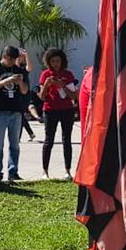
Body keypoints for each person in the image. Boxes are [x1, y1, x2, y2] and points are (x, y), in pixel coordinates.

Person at [0, 46, 29, 182]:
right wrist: (6, 81)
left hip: (15, 111)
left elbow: (24, 91)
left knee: (15, 144)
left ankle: (13, 171)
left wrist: (20, 81)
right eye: (9, 59)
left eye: (14, 59)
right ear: (4, 56)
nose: (11, 62)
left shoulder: (19, 70)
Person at [39, 48, 77, 180]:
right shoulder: (45, 75)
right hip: (50, 110)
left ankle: (67, 170)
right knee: (49, 140)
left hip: (67, 110)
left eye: (58, 61)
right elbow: (42, 97)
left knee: (67, 139)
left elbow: (73, 96)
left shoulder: (68, 75)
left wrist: (63, 86)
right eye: (53, 61)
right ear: (48, 62)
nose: (55, 64)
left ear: (62, 61)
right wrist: (47, 85)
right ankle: (45, 171)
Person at [16, 51, 36, 141]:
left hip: (24, 94)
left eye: (21, 57)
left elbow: (30, 67)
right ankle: (30, 133)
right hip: (16, 94)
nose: (20, 58)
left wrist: (26, 55)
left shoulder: (23, 69)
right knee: (20, 114)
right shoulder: (13, 69)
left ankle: (18, 137)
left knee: (20, 114)